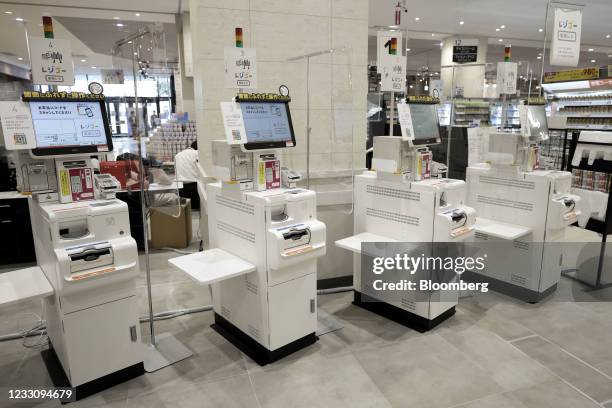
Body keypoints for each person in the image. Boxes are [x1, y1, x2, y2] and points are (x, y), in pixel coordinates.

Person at [175, 141, 201, 209]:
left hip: (180, 189)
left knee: (187, 207)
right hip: (194, 188)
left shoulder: (178, 155)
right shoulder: (197, 153)